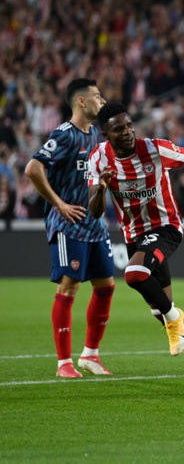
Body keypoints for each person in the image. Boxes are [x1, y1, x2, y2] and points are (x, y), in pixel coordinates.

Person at [87, 102, 184, 386]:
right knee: (158, 308)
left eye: (129, 125)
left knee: (135, 275)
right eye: (118, 128)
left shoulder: (153, 149)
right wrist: (101, 186)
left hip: (166, 227)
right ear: (105, 134)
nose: (127, 132)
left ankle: (175, 319)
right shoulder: (98, 158)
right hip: (133, 235)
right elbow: (96, 210)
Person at [24, 78, 116, 378]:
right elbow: (33, 168)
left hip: (95, 225)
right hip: (69, 223)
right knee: (70, 286)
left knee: (106, 285)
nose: (101, 101)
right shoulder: (64, 135)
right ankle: (64, 362)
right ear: (81, 101)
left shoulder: (99, 139)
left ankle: (90, 355)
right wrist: (59, 204)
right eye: (97, 96)